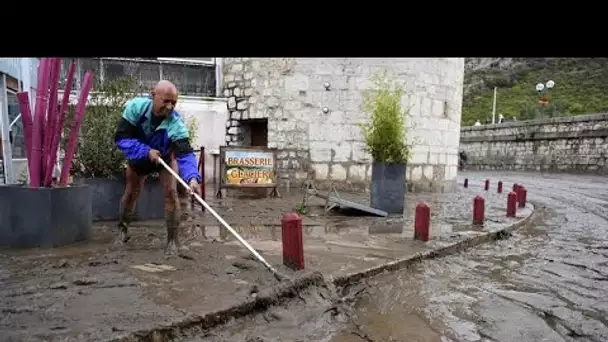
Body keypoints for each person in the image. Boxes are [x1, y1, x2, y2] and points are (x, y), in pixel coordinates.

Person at [114, 80, 202, 255]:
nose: (170, 107)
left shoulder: (175, 123)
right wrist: (145, 151)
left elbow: (184, 154)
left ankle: (172, 241)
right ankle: (122, 231)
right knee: (131, 192)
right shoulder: (135, 109)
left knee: (171, 192)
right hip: (139, 156)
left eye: (174, 102)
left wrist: (192, 177)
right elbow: (121, 138)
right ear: (153, 95)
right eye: (166, 101)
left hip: (165, 159)